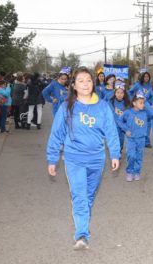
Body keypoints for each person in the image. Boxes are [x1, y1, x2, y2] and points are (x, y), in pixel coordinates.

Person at [46, 67, 120, 250]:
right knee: (79, 196)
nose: (85, 84)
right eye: (81, 81)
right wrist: (52, 158)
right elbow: (56, 134)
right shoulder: (67, 107)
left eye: (88, 80)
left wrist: (115, 154)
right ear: (74, 85)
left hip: (96, 159)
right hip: (74, 159)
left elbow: (111, 131)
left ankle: (83, 220)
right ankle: (81, 234)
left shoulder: (103, 106)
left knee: (88, 196)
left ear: (93, 83)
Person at [119, 90, 153, 181]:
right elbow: (119, 120)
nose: (143, 105)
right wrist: (126, 129)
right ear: (134, 103)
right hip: (131, 139)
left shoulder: (145, 112)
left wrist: (145, 102)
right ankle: (130, 172)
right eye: (140, 103)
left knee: (139, 157)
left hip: (141, 139)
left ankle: (137, 172)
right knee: (131, 155)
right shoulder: (128, 112)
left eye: (143, 103)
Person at [128, 68, 153, 148]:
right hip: (139, 106)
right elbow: (130, 92)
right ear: (141, 77)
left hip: (147, 106)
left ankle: (147, 141)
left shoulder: (151, 86)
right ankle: (137, 138)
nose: (146, 78)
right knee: (140, 122)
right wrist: (133, 100)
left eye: (147, 77)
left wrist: (151, 104)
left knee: (148, 124)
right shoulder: (137, 85)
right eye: (144, 76)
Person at [109, 82, 130, 154]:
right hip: (114, 126)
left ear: (124, 94)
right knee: (115, 140)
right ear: (115, 93)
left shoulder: (127, 103)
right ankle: (116, 154)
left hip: (122, 126)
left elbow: (128, 116)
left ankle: (119, 151)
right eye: (118, 92)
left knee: (121, 140)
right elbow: (112, 115)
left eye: (121, 93)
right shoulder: (111, 102)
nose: (119, 94)